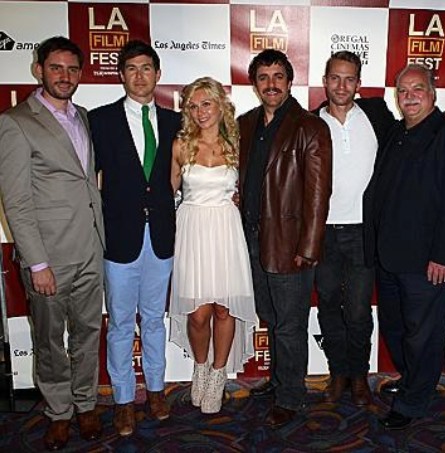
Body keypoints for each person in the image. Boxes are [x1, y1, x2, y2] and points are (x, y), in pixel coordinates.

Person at [0, 36, 105, 450]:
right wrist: (36, 262)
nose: (65, 76)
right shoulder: (16, 122)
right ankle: (59, 412)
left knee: (86, 335)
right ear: (38, 70)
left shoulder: (82, 116)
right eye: (56, 68)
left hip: (90, 248)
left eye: (73, 69)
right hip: (49, 256)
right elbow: (16, 201)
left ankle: (85, 404)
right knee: (49, 340)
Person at [363, 63, 445, 430]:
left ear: (433, 93)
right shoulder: (395, 132)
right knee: (396, 329)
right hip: (390, 256)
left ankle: (414, 402)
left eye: (418, 89)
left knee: (424, 335)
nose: (410, 96)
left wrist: (443, 255)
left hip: (428, 260)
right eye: (403, 90)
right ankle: (411, 382)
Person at [88, 40, 181, 437]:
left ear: (158, 74)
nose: (140, 76)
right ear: (121, 75)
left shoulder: (177, 121)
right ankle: (124, 399)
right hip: (120, 236)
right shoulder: (99, 120)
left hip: (161, 235)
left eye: (147, 68)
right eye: (131, 69)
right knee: (122, 323)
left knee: (155, 322)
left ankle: (156, 391)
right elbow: (93, 179)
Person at [238, 49, 332, 428]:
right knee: (271, 317)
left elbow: (317, 194)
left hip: (290, 245)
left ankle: (291, 397)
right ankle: (279, 381)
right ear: (255, 83)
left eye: (278, 76)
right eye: (263, 77)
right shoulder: (245, 124)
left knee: (290, 326)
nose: (271, 84)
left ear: (290, 82)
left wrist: (308, 249)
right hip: (250, 240)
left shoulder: (309, 126)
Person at [312, 51, 395, 406]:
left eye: (349, 79)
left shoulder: (377, 115)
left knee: (360, 311)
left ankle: (359, 376)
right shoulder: (310, 122)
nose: (342, 85)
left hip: (363, 231)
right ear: (325, 80)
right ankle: (338, 374)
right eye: (335, 78)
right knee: (329, 306)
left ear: (358, 84)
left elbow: (413, 137)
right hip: (323, 233)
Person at [169, 77, 256, 414]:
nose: (200, 111)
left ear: (221, 105)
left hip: (226, 227)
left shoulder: (238, 142)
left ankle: (218, 375)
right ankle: (200, 366)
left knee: (223, 308)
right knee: (198, 313)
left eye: (206, 103)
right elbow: (166, 194)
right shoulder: (181, 145)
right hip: (192, 229)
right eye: (193, 105)